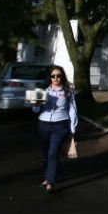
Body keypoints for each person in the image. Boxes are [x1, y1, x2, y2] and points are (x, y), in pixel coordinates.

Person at [28, 65, 78, 193]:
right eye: (53, 76)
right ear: (50, 77)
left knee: (52, 153)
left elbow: (72, 109)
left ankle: (50, 181)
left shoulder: (68, 91)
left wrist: (73, 128)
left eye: (58, 76)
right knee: (45, 154)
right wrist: (35, 105)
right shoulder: (43, 90)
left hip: (60, 125)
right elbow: (35, 109)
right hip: (43, 125)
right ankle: (47, 177)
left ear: (62, 77)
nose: (56, 78)